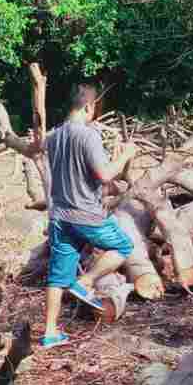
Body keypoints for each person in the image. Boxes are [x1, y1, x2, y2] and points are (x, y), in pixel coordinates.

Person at [41, 82, 139, 349]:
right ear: (88, 106)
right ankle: (85, 282)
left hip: (59, 216)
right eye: (94, 106)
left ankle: (50, 333)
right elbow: (105, 174)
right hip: (87, 214)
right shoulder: (87, 135)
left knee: (57, 277)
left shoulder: (53, 136)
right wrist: (126, 154)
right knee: (123, 245)